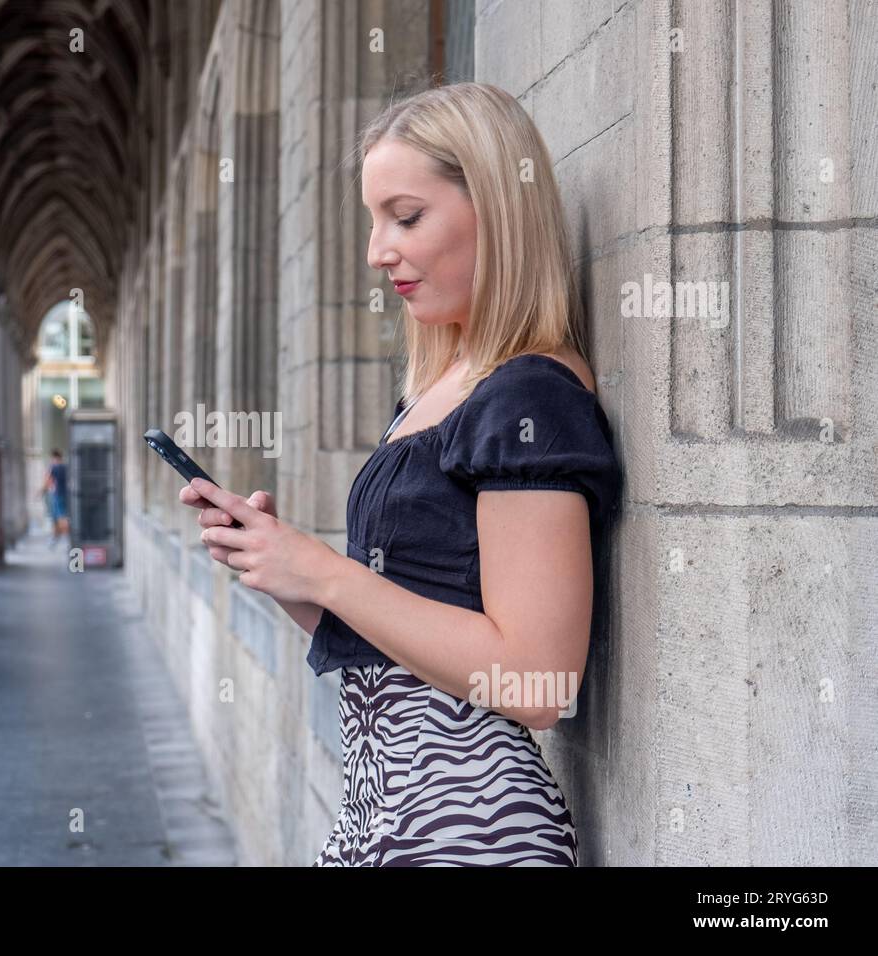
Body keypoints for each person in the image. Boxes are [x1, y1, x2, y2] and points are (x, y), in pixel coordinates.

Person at [178, 82, 621, 866]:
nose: (379, 250)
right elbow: (405, 642)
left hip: (470, 825)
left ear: (496, 206)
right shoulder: (437, 387)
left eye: (406, 217)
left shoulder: (529, 396)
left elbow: (538, 682)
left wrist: (327, 572)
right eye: (374, 220)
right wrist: (288, 575)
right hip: (381, 808)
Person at [41, 449, 70, 545]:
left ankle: (66, 537)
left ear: (54, 457)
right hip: (65, 494)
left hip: (57, 494)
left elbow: (47, 480)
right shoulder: (66, 467)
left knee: (60, 516)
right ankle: (58, 536)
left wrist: (40, 492)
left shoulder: (54, 467)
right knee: (60, 515)